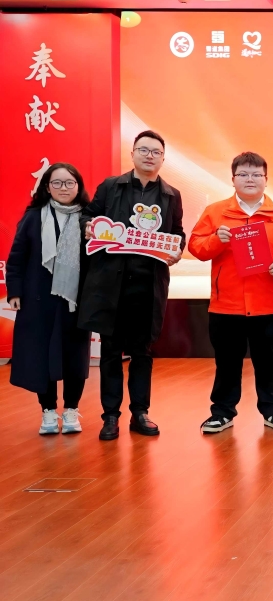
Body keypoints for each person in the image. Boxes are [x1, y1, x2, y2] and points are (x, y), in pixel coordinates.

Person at [79, 130, 184, 441]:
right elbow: (89, 215)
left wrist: (177, 250)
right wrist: (89, 226)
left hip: (148, 285)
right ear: (133, 153)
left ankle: (140, 412)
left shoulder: (172, 195)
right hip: (111, 284)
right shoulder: (111, 186)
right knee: (111, 351)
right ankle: (110, 416)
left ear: (163, 158)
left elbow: (177, 232)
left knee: (142, 352)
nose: (149, 156)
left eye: (155, 152)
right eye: (143, 150)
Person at [188, 151, 273, 433]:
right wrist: (216, 240)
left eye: (256, 174)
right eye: (243, 174)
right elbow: (196, 247)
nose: (250, 179)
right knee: (227, 364)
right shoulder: (215, 212)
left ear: (266, 179)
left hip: (268, 304)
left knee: (269, 363)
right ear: (233, 179)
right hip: (226, 305)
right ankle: (222, 413)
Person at [6, 163, 93, 435]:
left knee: (75, 356)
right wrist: (15, 291)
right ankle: (48, 411)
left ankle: (71, 410)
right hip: (38, 299)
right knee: (41, 355)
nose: (63, 188)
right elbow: (17, 257)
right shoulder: (34, 217)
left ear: (78, 186)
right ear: (47, 187)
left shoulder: (89, 218)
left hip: (76, 299)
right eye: (57, 183)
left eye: (69, 183)